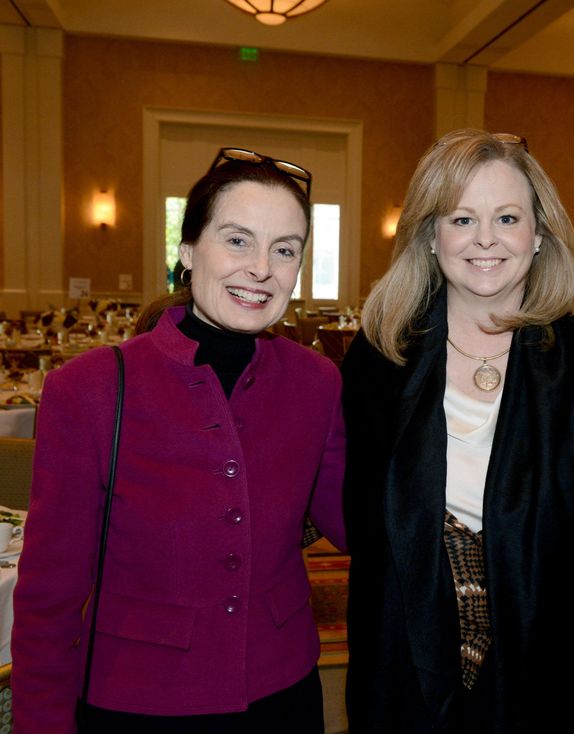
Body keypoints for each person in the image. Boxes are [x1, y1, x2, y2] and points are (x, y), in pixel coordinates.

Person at [12, 147, 346, 733]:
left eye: (285, 249)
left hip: (282, 690)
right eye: (238, 240)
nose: (261, 268)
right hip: (138, 699)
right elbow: (48, 596)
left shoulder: (315, 380)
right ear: (188, 250)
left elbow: (353, 520)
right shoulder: (88, 389)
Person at [341, 128, 574, 732]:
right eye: (461, 219)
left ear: (539, 235)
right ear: (430, 237)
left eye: (508, 217)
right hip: (401, 674)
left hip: (547, 679)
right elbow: (356, 519)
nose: (486, 239)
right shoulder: (381, 358)